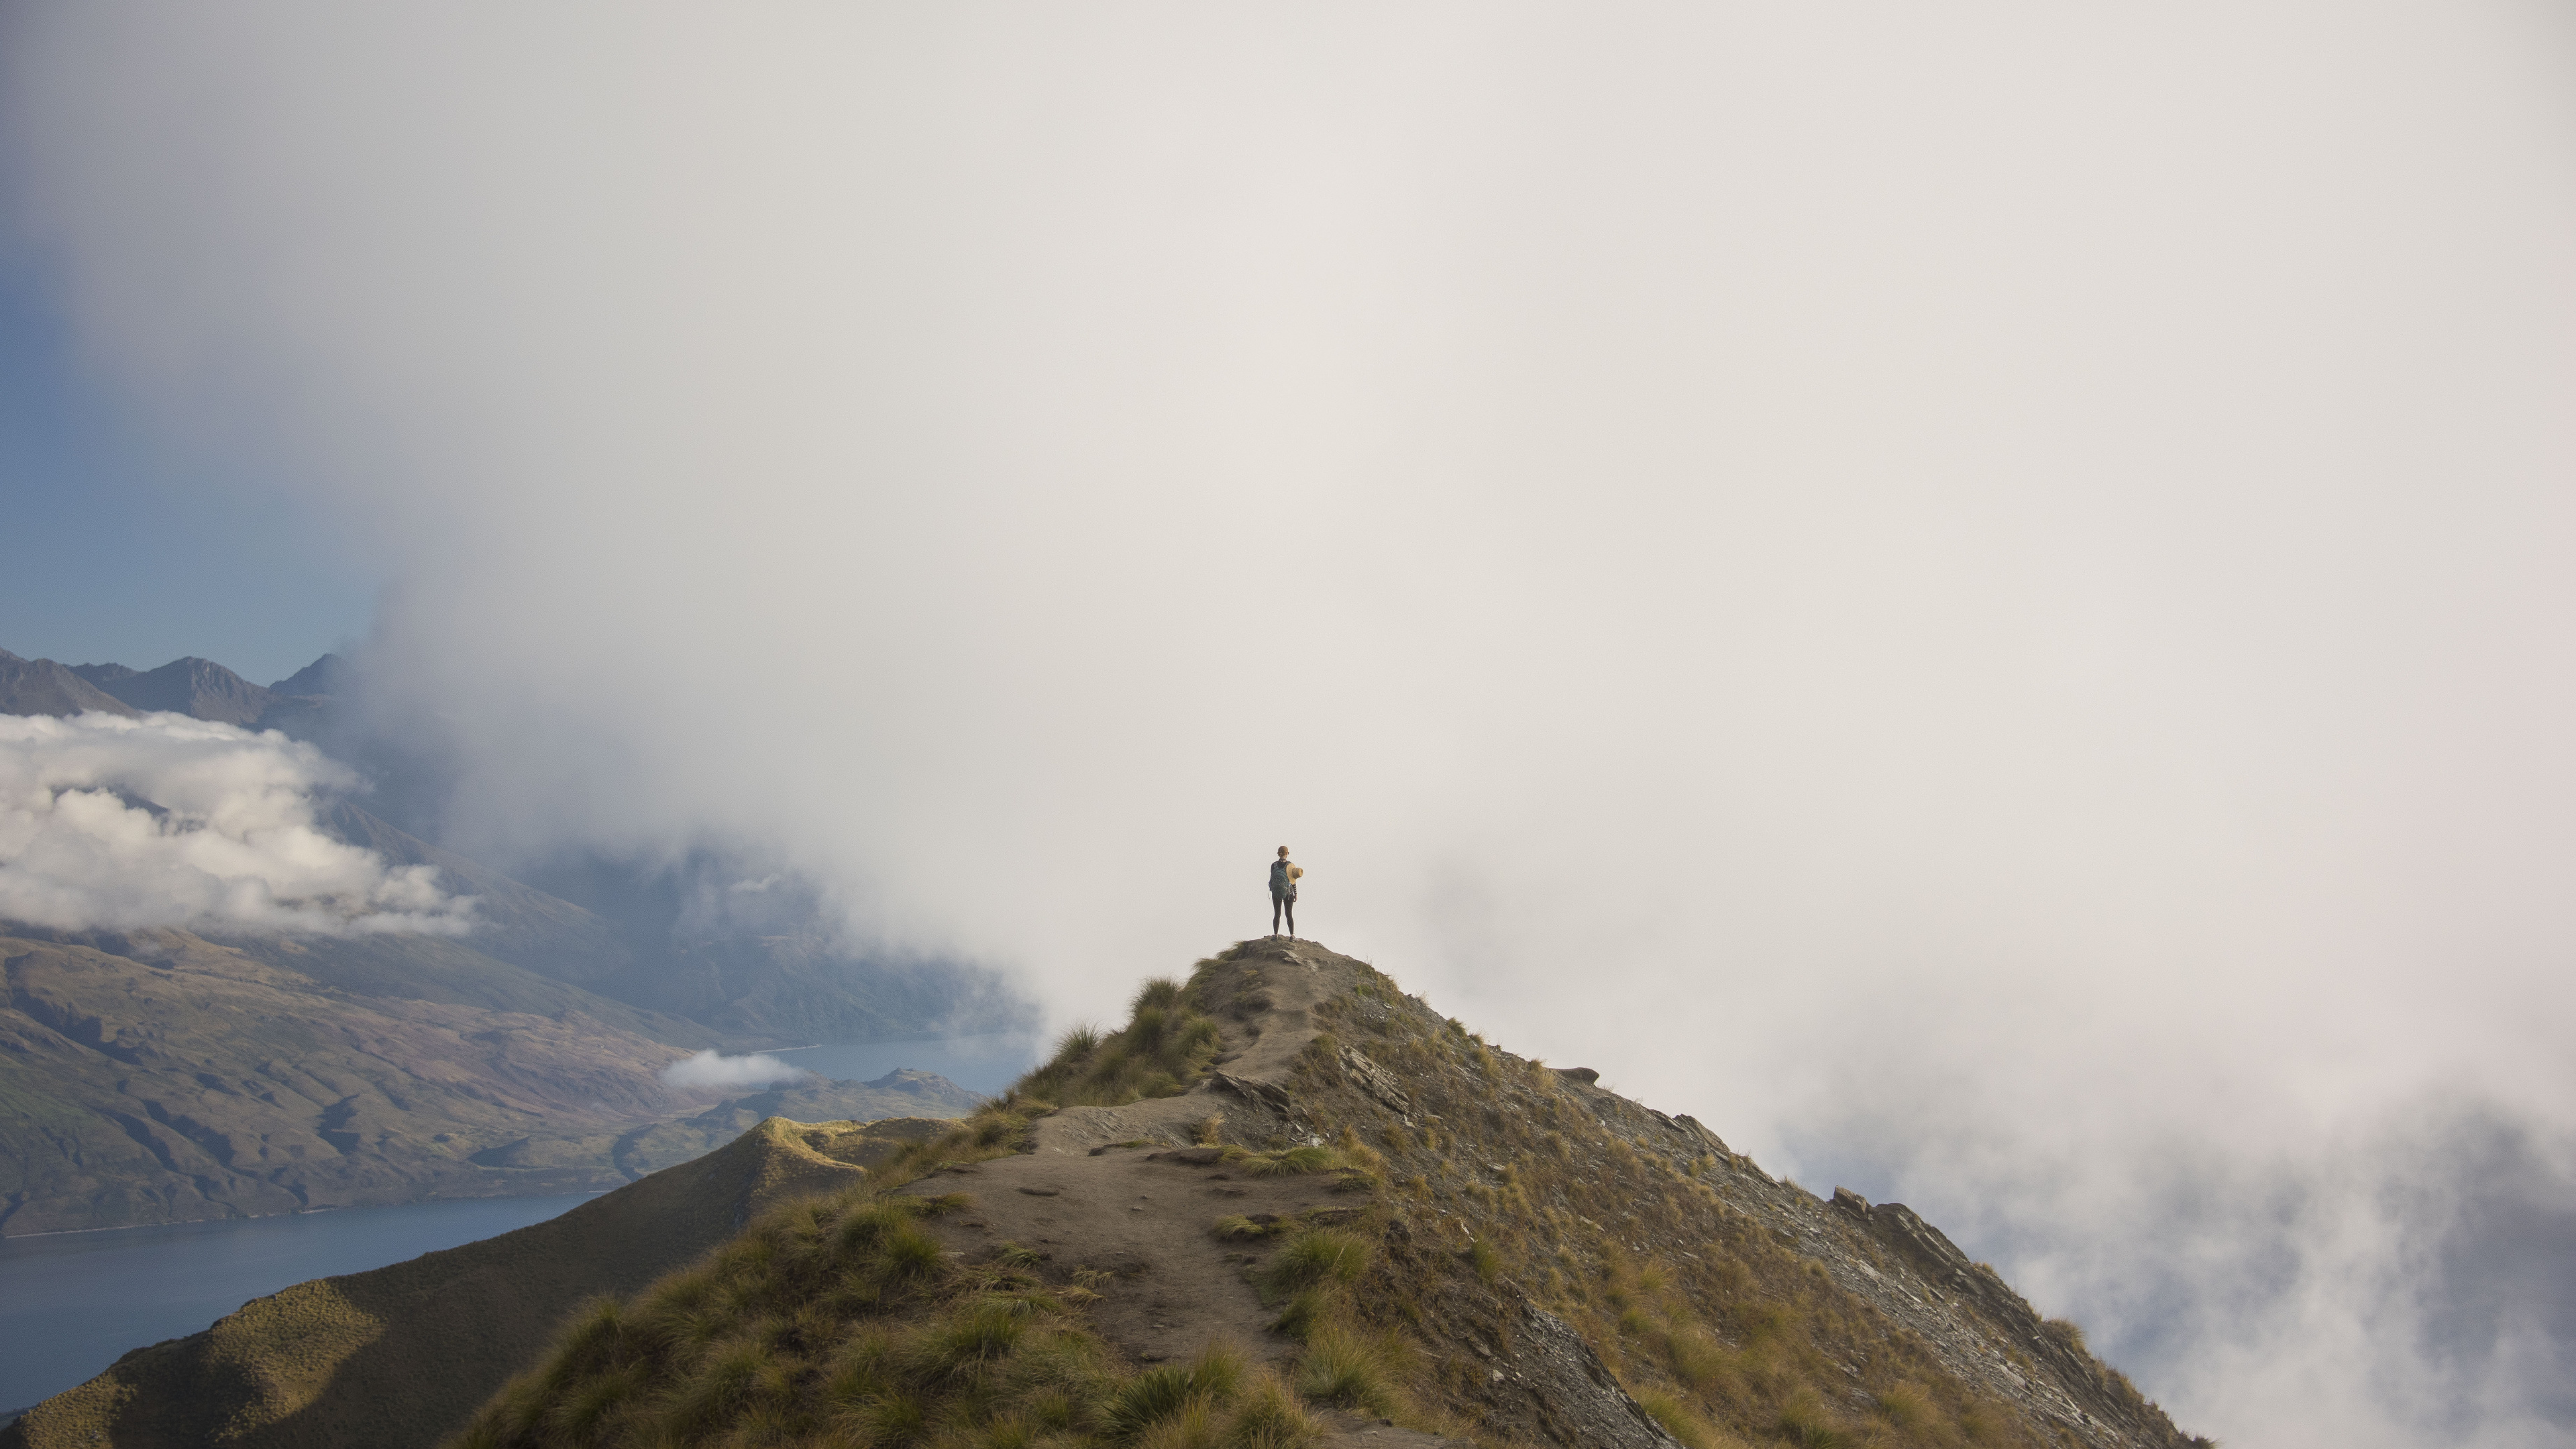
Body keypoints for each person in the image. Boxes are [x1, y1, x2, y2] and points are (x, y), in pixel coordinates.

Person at [1269, 846, 1303, 937]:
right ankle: (1292, 936)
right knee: (1289, 915)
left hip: (1276, 892)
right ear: (1287, 853)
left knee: (1277, 914)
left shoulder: (1274, 865)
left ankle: (1275, 935)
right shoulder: (1290, 865)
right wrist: (1296, 894)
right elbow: (1293, 882)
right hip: (1289, 893)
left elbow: (1272, 879)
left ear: (1278, 853)